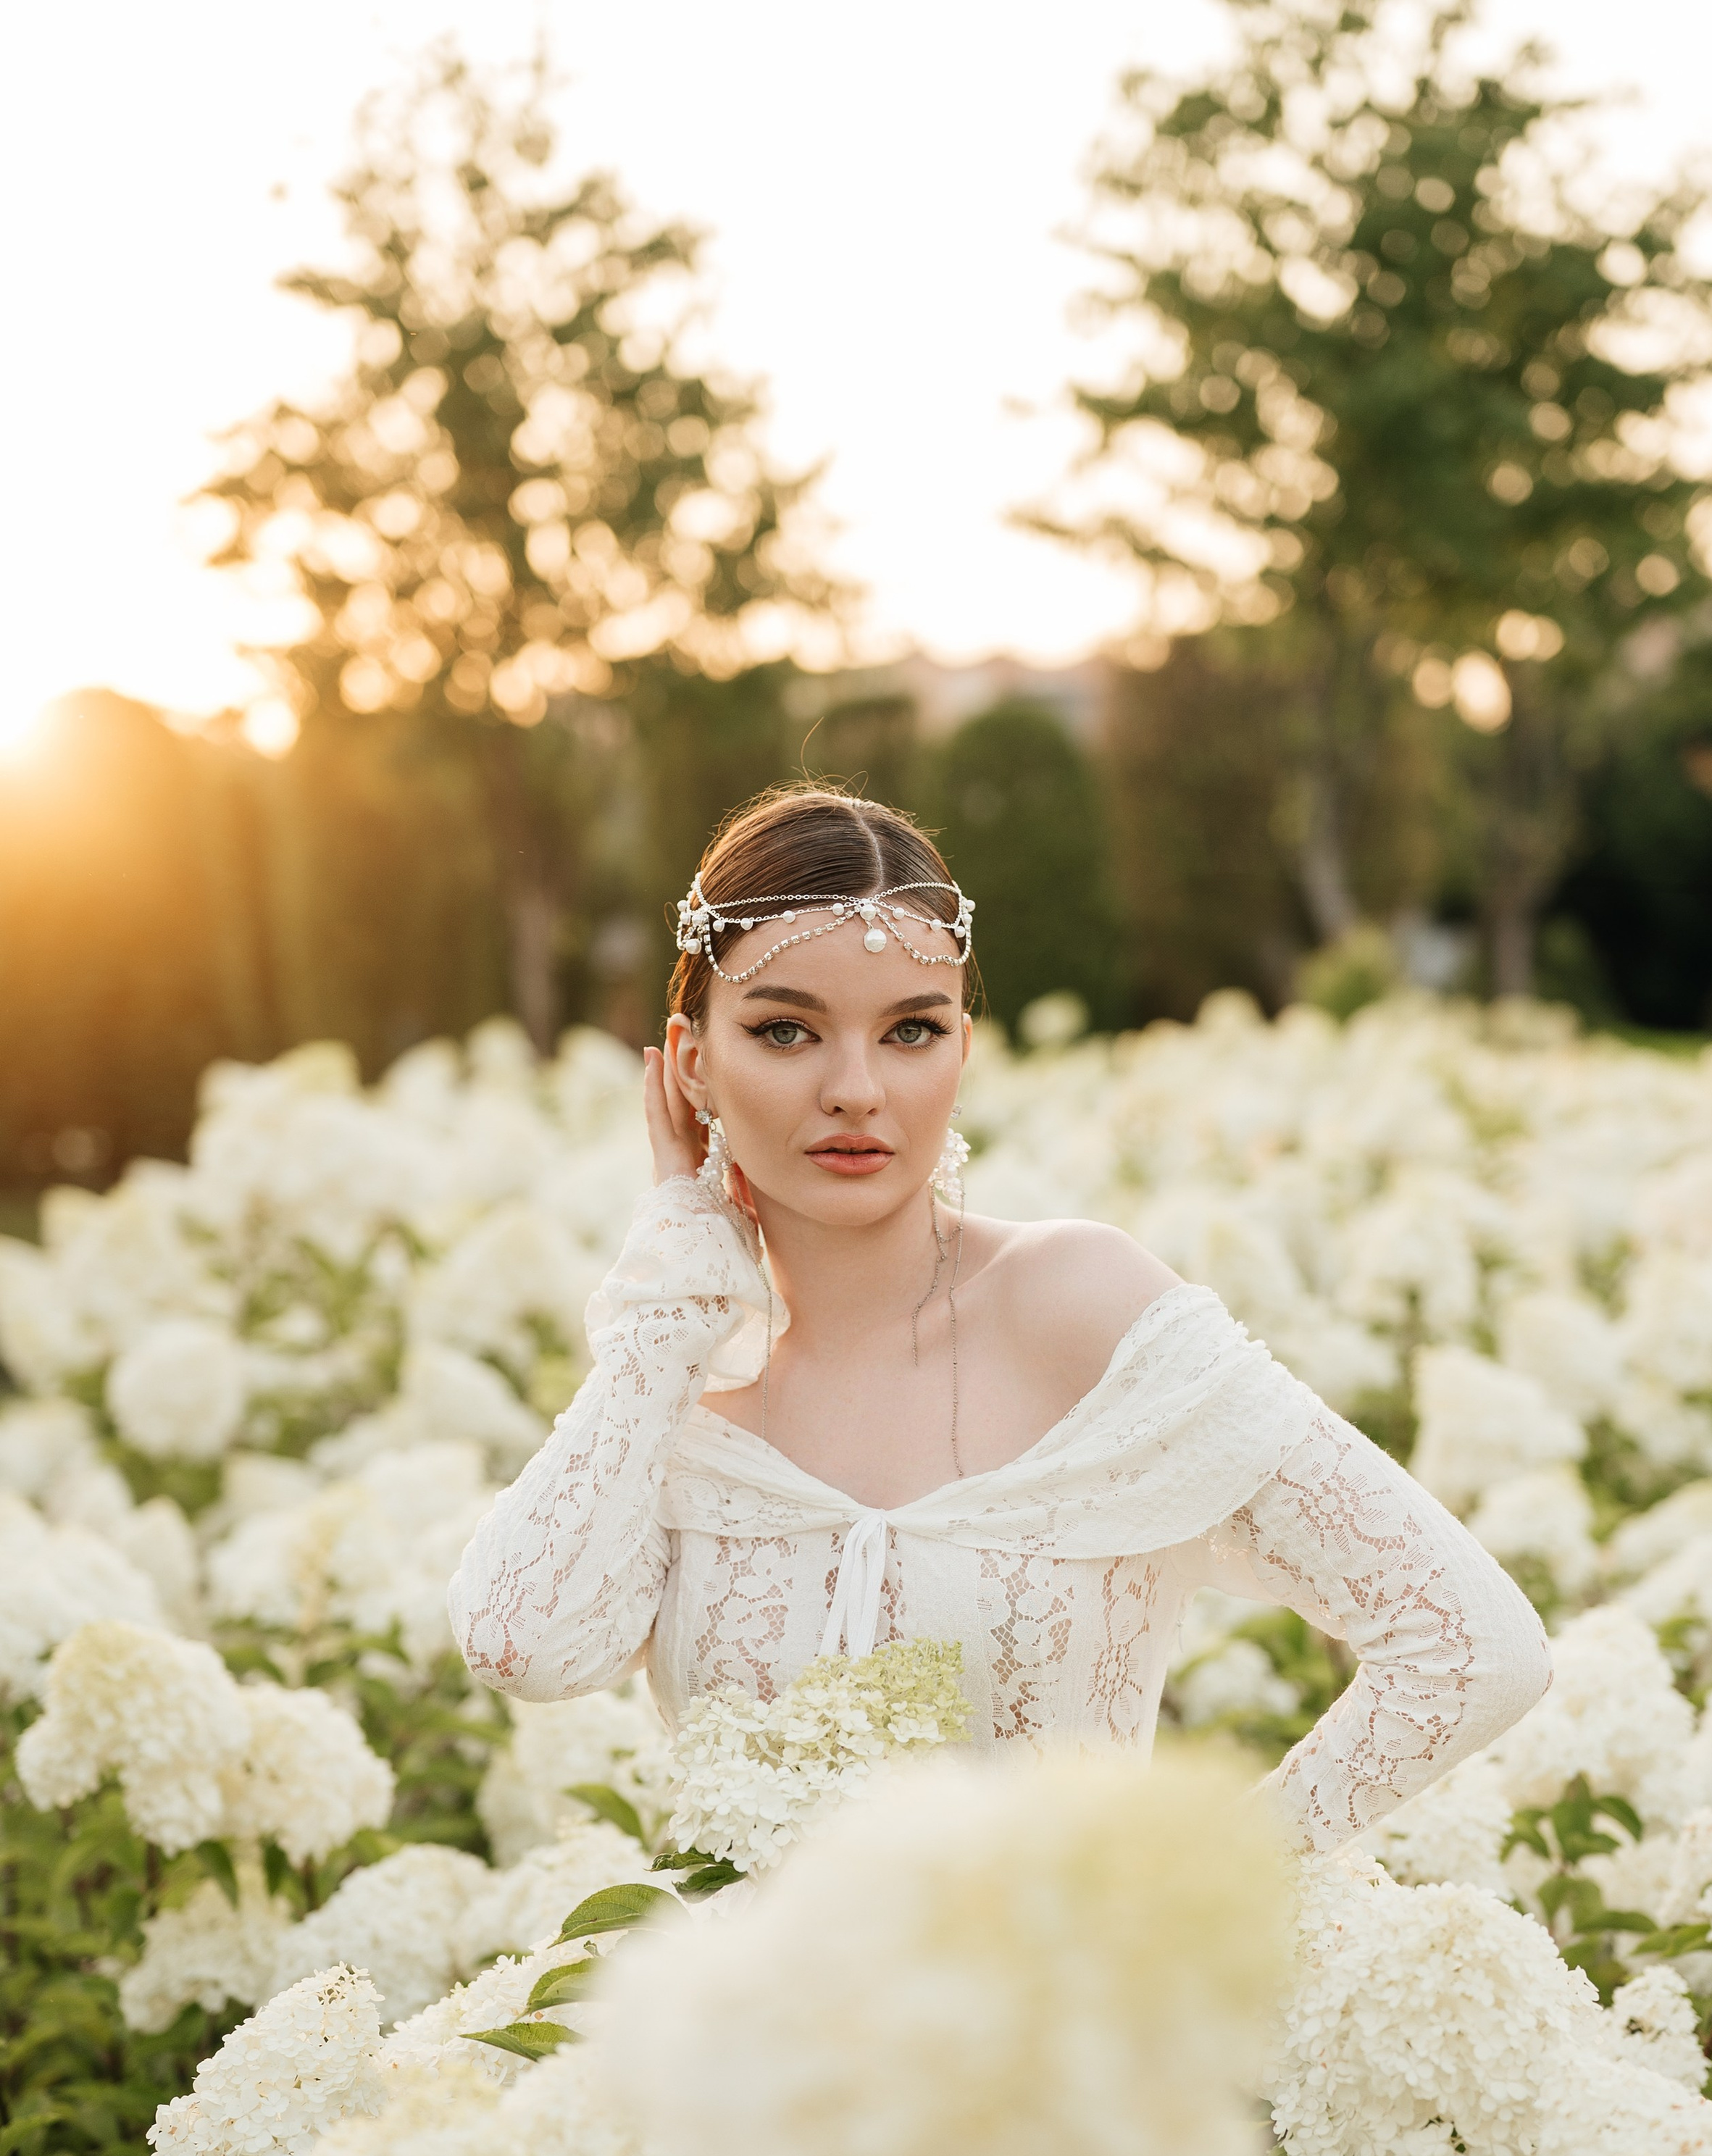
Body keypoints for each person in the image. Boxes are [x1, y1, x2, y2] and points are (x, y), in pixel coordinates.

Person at [449, 787, 1549, 1848]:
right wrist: (670, 1294)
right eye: (787, 1033)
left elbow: (1473, 1648)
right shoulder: (681, 1382)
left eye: (911, 1031)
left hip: (1054, 2026)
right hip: (754, 2029)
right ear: (694, 1067)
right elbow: (520, 1645)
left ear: (962, 1054)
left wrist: (1185, 1906)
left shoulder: (1079, 1304)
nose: (856, 1089)